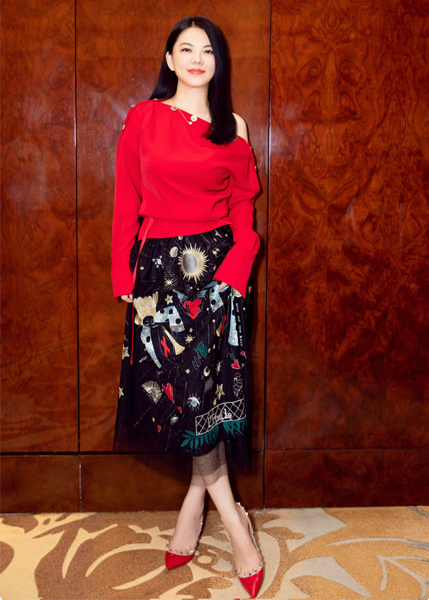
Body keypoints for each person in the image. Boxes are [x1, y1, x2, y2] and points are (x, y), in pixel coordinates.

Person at [111, 15, 263, 598]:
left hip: (219, 272)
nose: (197, 58)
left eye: (208, 50)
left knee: (206, 393)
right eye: (186, 48)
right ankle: (230, 518)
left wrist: (238, 266)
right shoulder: (143, 118)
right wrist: (124, 275)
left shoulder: (233, 127)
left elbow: (243, 206)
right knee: (183, 396)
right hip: (158, 273)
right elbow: (126, 197)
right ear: (170, 59)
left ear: (218, 63)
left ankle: (198, 514)